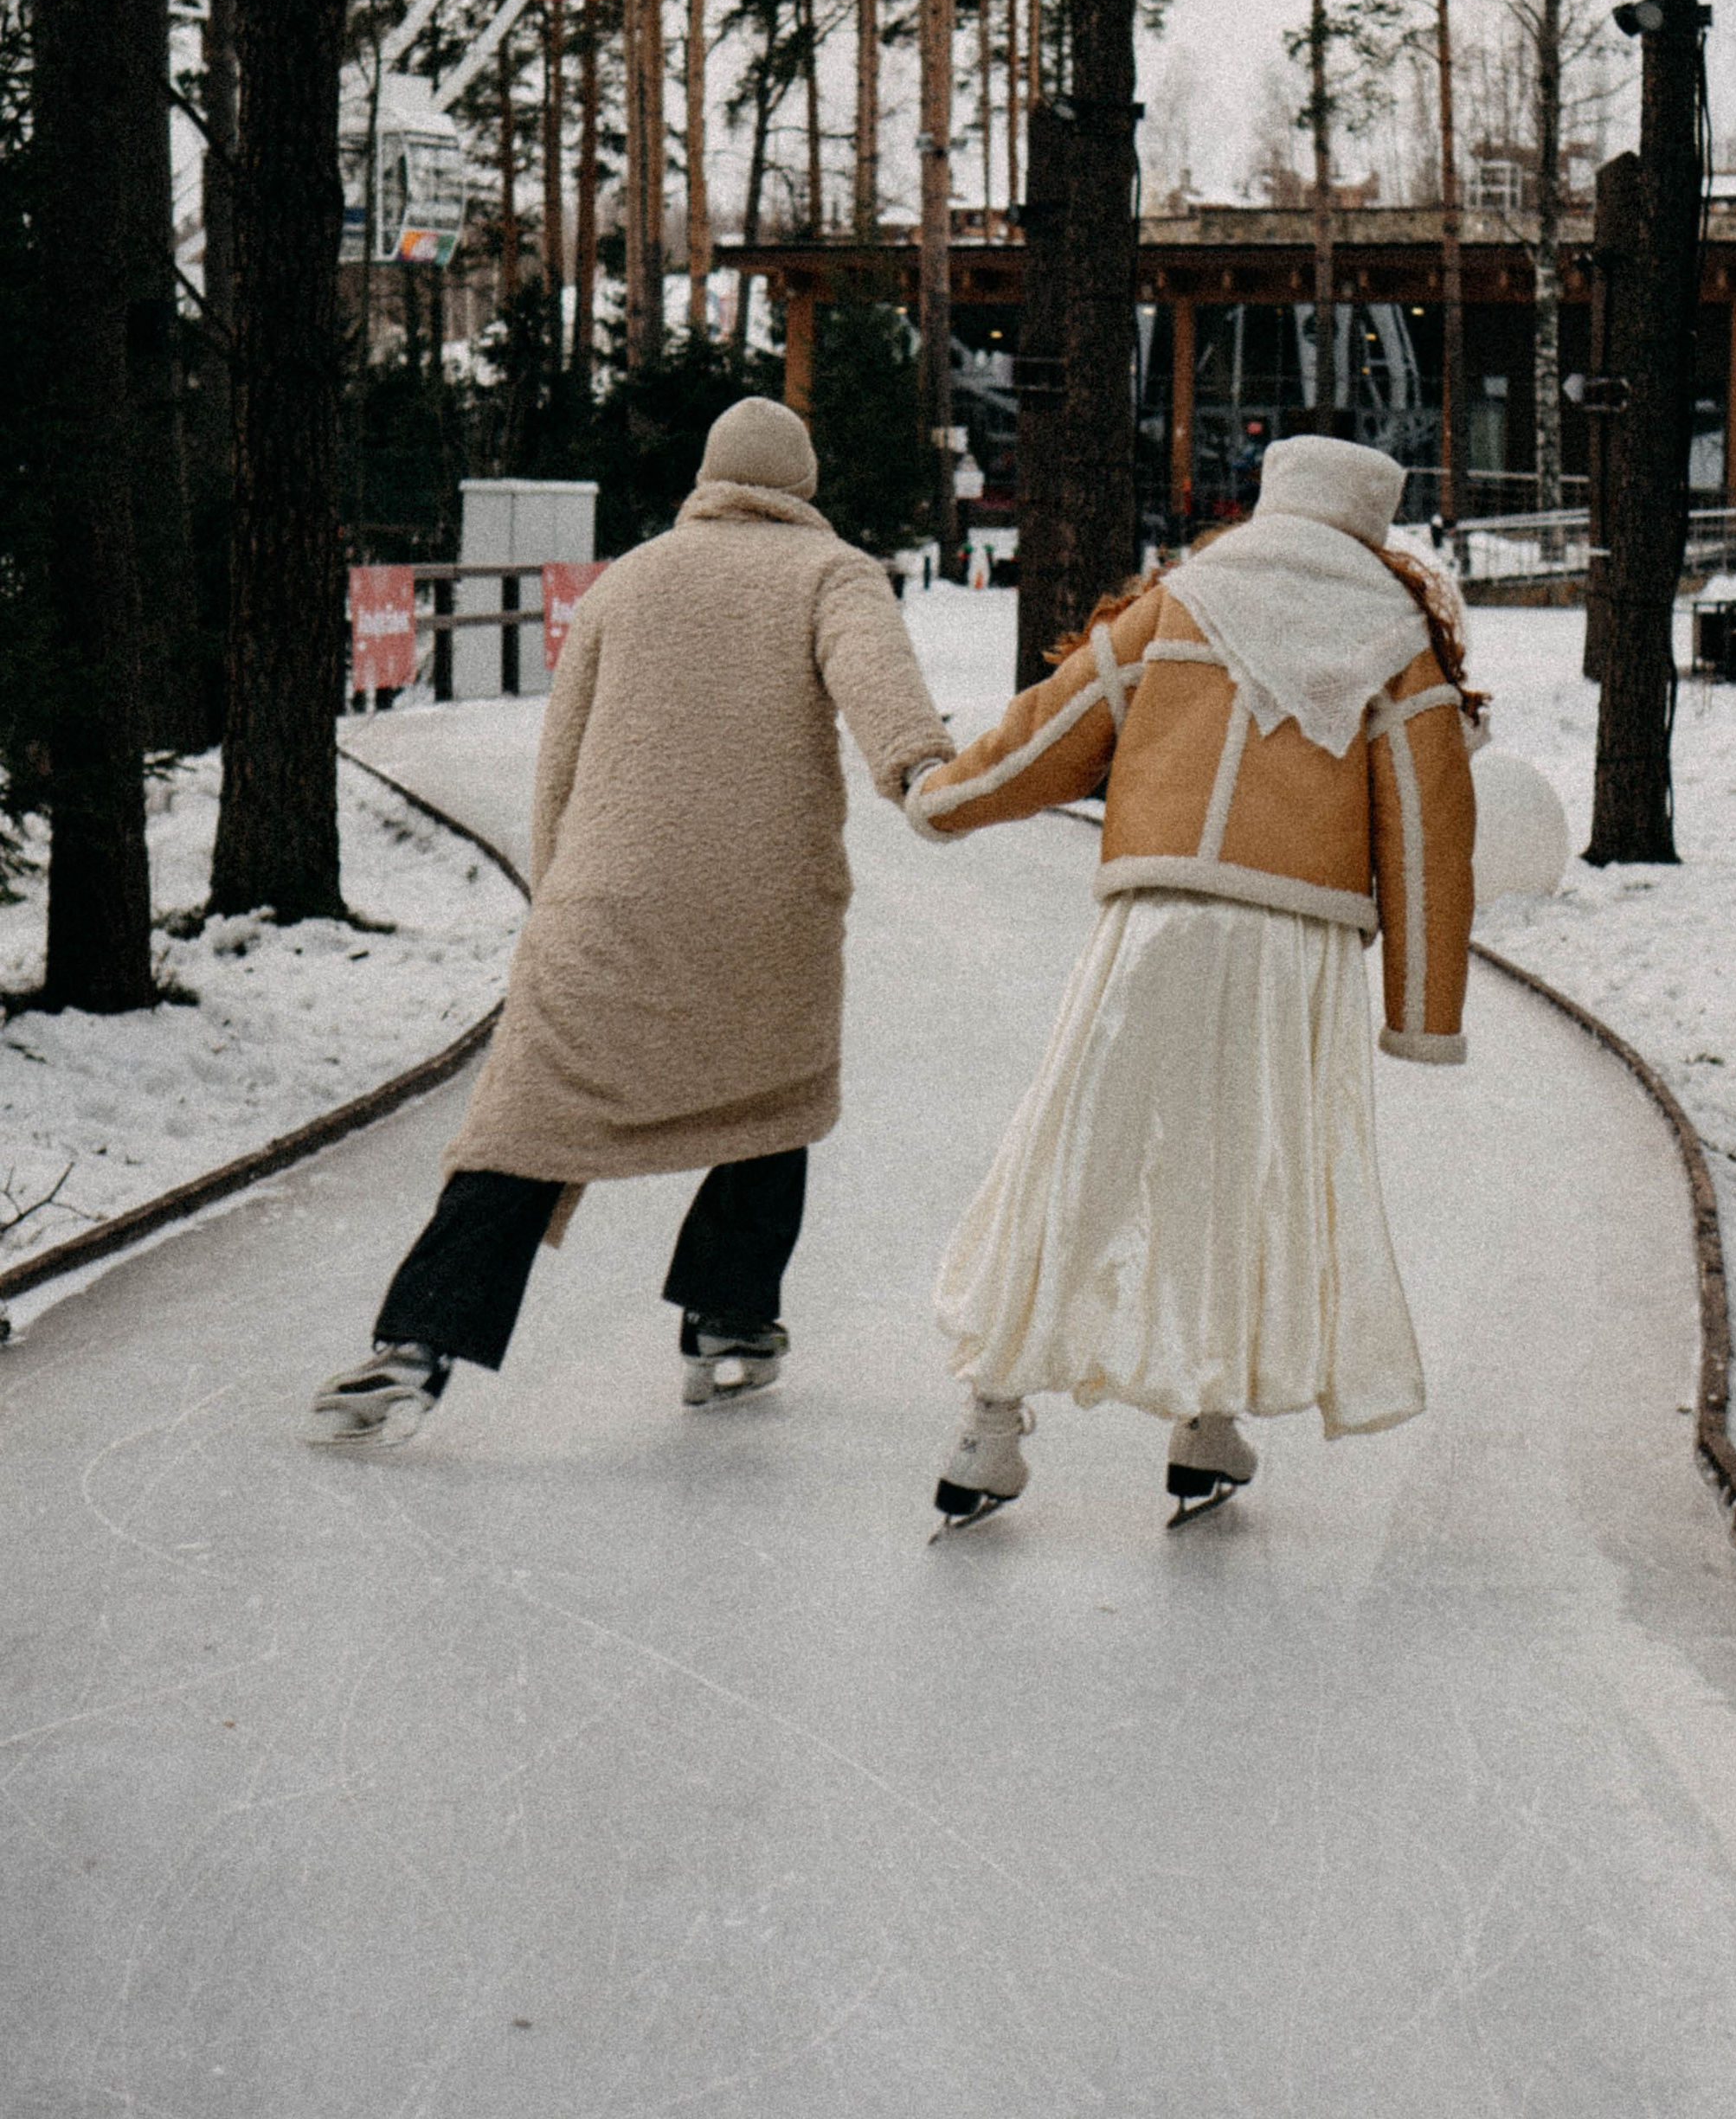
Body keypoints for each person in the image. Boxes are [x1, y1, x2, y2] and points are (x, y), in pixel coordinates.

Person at [312, 397, 953, 1444]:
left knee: (527, 1120)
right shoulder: (833, 573)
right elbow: (879, 686)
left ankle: (416, 1343)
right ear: (801, 483)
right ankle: (729, 1321)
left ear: (709, 474)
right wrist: (920, 768)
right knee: (771, 1098)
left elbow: (561, 759)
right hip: (764, 907)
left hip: (602, 901)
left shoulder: (629, 579)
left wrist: (555, 895)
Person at [907, 433, 1484, 1531]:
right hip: (1293, 950)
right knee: (1246, 1175)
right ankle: (1205, 1423)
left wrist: (941, 799)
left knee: (1077, 1156)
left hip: (1155, 922)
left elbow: (1050, 734)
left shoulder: (1178, 603)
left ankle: (990, 1425)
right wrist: (1422, 1015)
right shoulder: (1399, 643)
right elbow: (1428, 835)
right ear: (1373, 521)